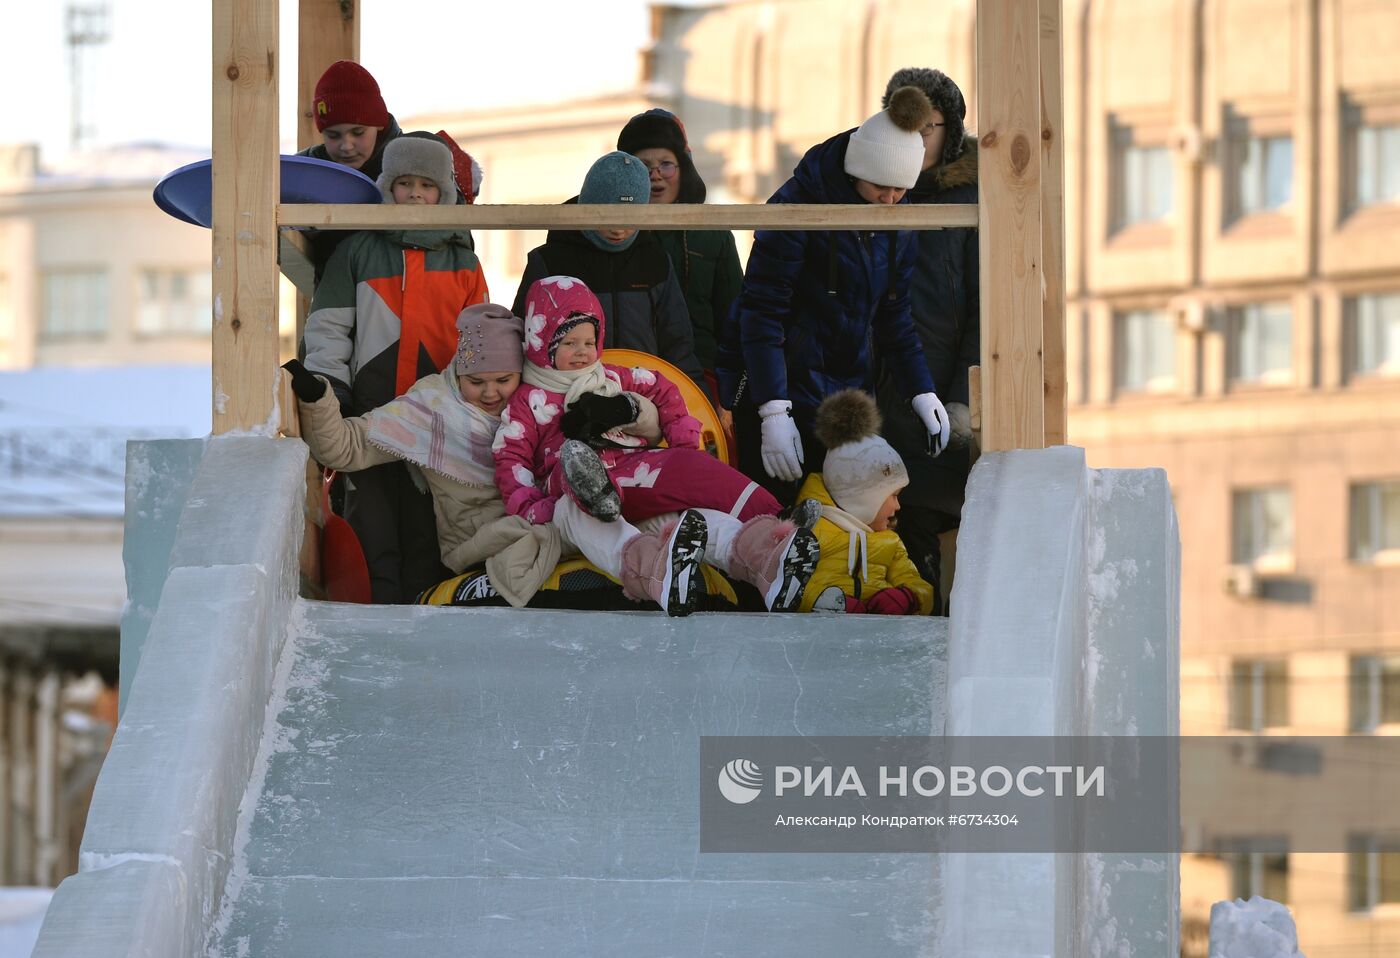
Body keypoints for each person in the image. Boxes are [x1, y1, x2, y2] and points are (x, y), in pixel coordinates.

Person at [493, 276, 820, 616]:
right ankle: (656, 571)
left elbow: (663, 389)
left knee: (689, 520)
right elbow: (510, 460)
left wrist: (682, 444)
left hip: (632, 481)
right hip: (572, 502)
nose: (582, 352)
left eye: (589, 342)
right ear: (541, 342)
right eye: (569, 342)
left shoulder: (610, 377)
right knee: (576, 509)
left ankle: (767, 558)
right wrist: (536, 511)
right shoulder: (526, 402)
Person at [717, 86, 953, 503]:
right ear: (856, 170)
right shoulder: (796, 206)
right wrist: (773, 409)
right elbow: (761, 314)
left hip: (848, 395)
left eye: (901, 189)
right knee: (780, 514)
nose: (891, 198)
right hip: (782, 387)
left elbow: (894, 316)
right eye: (881, 186)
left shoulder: (898, 218)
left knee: (849, 518)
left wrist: (921, 389)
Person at [301, 132, 490, 603]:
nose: (415, 195)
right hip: (373, 414)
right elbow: (327, 328)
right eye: (404, 183)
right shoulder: (357, 252)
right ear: (387, 186)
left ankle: (427, 612)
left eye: (426, 186)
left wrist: (477, 402)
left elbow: (482, 340)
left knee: (432, 525)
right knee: (373, 523)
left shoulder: (463, 261)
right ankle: (378, 615)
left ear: (443, 193)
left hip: (438, 421)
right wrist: (332, 389)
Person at [282, 305, 562, 607]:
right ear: (459, 371)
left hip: (539, 521)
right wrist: (316, 399)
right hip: (478, 545)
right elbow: (347, 447)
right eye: (476, 382)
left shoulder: (538, 404)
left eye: (503, 380)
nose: (490, 393)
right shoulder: (434, 408)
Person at [872, 68, 979, 609]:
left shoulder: (974, 197)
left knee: (942, 530)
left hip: (940, 390)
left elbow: (989, 308)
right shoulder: (871, 187)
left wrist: (961, 393)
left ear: (950, 128)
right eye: (904, 125)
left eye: (929, 126)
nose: (917, 139)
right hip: (880, 388)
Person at [511, 152, 706, 392]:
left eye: (630, 217)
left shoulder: (656, 262)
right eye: (608, 216)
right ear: (588, 206)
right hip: (564, 399)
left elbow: (678, 344)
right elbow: (523, 341)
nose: (619, 230)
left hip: (644, 396)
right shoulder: (549, 262)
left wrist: (696, 402)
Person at [616, 109, 742, 399]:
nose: (656, 175)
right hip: (628, 381)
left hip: (702, 381)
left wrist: (731, 391)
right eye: (643, 166)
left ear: (683, 168)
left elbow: (733, 321)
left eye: (666, 164)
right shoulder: (613, 233)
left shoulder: (713, 234)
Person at [795, 390, 935, 616]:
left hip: (879, 638)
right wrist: (827, 604)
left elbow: (917, 583)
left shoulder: (890, 542)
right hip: (822, 640)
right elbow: (792, 589)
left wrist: (909, 597)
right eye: (892, 495)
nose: (898, 506)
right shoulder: (812, 534)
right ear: (861, 499)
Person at [296, 61, 405, 281]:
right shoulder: (303, 173)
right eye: (333, 135)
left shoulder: (415, 165)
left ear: (380, 124)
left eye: (358, 132)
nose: (346, 146)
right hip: (337, 302)